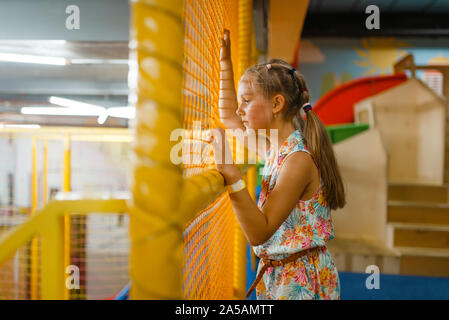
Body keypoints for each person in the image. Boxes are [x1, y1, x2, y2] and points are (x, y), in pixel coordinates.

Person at [208, 29, 345, 300]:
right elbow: (228, 116)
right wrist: (225, 65)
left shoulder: (298, 160)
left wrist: (230, 172)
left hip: (301, 278)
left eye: (246, 101)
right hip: (281, 272)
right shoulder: (275, 148)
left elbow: (259, 231)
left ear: (277, 104)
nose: (240, 109)